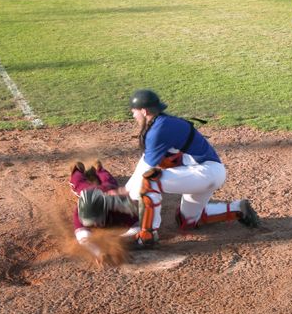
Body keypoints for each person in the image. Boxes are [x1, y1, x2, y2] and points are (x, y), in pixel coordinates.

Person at [124, 89, 260, 249]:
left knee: (149, 181)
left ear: (144, 111)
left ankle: (147, 236)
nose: (133, 116)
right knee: (186, 221)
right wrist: (126, 189)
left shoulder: (158, 130)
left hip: (204, 173)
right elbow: (145, 159)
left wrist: (127, 194)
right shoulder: (163, 123)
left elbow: (146, 168)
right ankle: (237, 208)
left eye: (134, 112)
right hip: (204, 173)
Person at [69, 160, 139, 263]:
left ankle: (99, 169)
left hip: (108, 191)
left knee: (110, 183)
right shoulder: (80, 212)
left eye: (95, 221)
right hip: (90, 193)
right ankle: (77, 170)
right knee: (79, 186)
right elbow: (84, 240)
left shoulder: (118, 208)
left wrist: (119, 238)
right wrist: (98, 253)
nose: (94, 225)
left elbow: (138, 227)